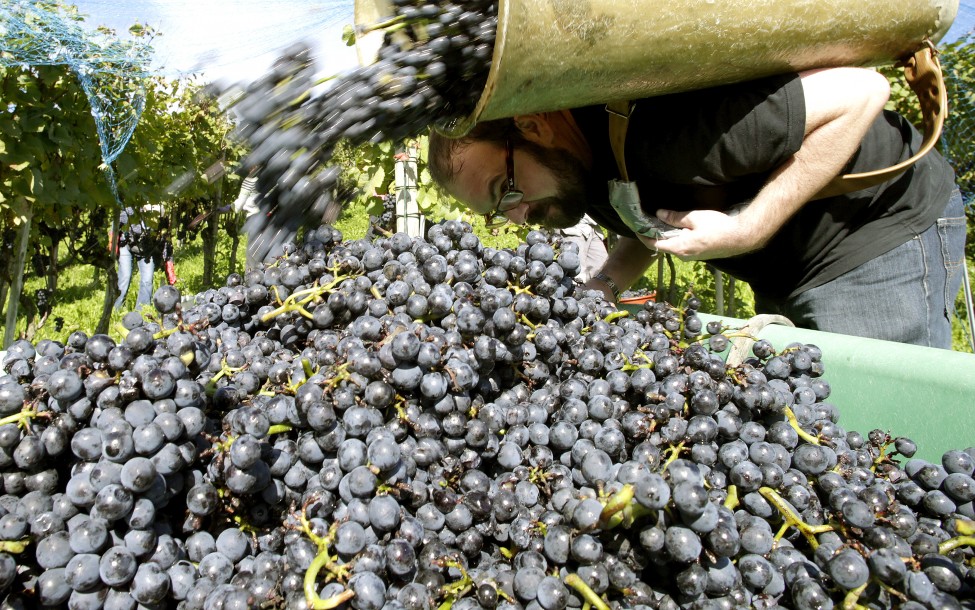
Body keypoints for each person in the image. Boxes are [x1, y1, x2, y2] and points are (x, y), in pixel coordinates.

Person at [428, 67, 967, 349]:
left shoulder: (670, 133)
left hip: (876, 230)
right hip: (787, 260)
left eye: (506, 190)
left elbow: (862, 91)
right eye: (497, 212)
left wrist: (748, 228)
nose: (518, 218)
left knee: (878, 447)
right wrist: (607, 283)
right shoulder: (578, 170)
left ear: (533, 127)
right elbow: (642, 216)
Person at [112, 206, 156, 311]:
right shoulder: (128, 200)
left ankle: (142, 311)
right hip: (126, 243)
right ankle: (115, 309)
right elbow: (119, 220)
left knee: (147, 280)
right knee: (124, 277)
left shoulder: (154, 201)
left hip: (146, 246)